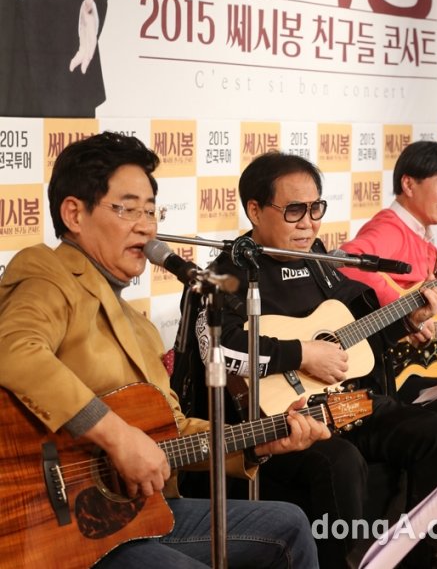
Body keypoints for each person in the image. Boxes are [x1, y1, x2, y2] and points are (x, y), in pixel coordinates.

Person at [0, 132, 330, 569]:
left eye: (151, 211)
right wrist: (117, 437)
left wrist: (260, 441)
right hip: (56, 524)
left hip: (141, 511)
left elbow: (170, 435)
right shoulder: (47, 271)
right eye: (128, 209)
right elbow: (14, 350)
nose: (146, 226)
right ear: (74, 213)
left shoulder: (140, 328)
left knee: (290, 524)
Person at [179, 150, 437, 569]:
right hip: (279, 422)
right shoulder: (224, 276)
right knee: (339, 462)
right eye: (295, 210)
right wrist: (303, 353)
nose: (309, 223)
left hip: (347, 404)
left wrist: (407, 321)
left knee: (436, 433)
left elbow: (357, 340)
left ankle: (427, 559)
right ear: (255, 210)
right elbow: (219, 350)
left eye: (316, 209)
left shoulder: (322, 263)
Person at [340, 139, 437, 565]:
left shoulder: (424, 241)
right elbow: (346, 264)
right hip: (381, 376)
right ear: (409, 184)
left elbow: (433, 324)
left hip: (412, 369)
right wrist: (403, 312)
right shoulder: (389, 229)